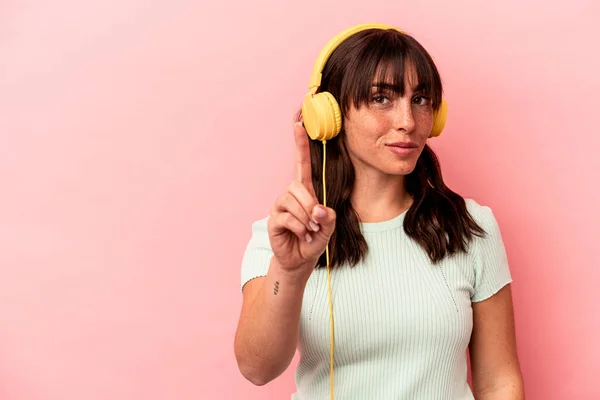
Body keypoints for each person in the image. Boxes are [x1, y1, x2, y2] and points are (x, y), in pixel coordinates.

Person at [233, 23, 525, 400]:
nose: (407, 121)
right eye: (382, 98)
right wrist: (289, 271)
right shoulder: (280, 234)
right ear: (331, 114)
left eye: (419, 99)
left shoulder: (470, 227)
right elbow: (257, 368)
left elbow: (499, 380)